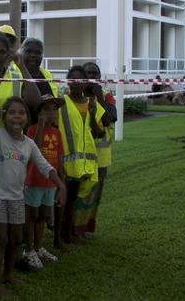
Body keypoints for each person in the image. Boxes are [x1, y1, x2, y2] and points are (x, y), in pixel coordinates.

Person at [0, 97, 66, 297]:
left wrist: (60, 185)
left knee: (16, 240)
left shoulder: (29, 144)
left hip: (16, 198)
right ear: (5, 117)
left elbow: (44, 166)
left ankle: (8, 275)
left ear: (27, 117)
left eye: (21, 112)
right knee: (1, 239)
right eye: (12, 112)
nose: (17, 116)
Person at [56, 65, 104, 247]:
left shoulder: (91, 103)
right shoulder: (62, 102)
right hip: (66, 160)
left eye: (80, 80)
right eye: (73, 79)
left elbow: (97, 131)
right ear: (68, 81)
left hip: (84, 162)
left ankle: (69, 232)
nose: (77, 83)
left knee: (74, 201)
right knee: (63, 201)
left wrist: (92, 113)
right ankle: (61, 234)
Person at [69, 62, 116, 239]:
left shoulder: (107, 96)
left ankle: (84, 228)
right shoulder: (72, 96)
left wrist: (100, 99)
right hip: (78, 157)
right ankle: (71, 227)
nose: (91, 77)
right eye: (87, 73)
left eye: (95, 74)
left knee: (93, 195)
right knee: (77, 194)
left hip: (100, 157)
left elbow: (108, 121)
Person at [22, 94, 65, 270]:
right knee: (31, 216)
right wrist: (40, 125)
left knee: (43, 216)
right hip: (34, 180)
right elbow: (36, 149)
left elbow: (59, 157)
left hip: (50, 183)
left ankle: (39, 247)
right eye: (46, 109)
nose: (51, 113)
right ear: (38, 112)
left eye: (54, 109)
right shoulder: (32, 130)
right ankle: (28, 249)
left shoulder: (57, 132)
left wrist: (61, 178)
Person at [0, 33, 40, 113]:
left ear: (8, 55)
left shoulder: (16, 78)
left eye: (2, 52)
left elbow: (35, 101)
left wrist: (22, 66)